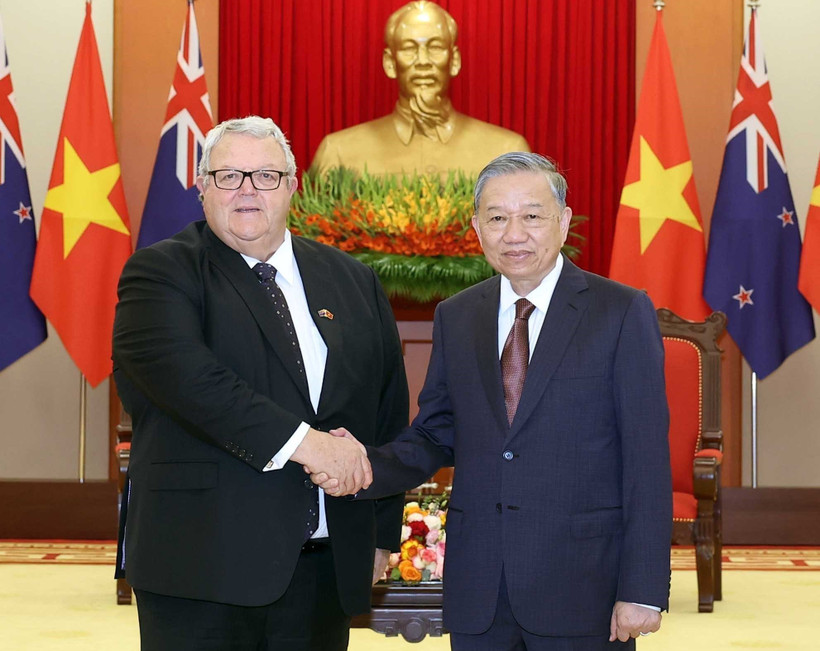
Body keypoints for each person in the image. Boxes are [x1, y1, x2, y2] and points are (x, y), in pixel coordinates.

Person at [315, 152, 673, 650]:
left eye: (532, 215)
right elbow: (435, 434)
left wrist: (643, 588)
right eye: (498, 218)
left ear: (564, 222)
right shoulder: (458, 316)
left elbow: (646, 458)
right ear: (478, 229)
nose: (514, 233)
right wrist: (361, 466)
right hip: (479, 586)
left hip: (582, 583)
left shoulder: (619, 311)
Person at [112, 115, 409, 651]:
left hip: (322, 563)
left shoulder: (353, 278)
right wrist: (310, 446)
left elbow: (386, 412)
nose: (248, 190)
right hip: (202, 564)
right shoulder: (160, 273)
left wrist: (380, 533)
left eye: (266, 176)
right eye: (229, 176)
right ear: (203, 188)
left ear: (292, 187)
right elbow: (195, 386)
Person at [309, 1, 530, 177]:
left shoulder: (505, 151)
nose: (423, 61)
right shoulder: (338, 153)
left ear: (454, 60)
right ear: (389, 63)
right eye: (409, 48)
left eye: (435, 47)